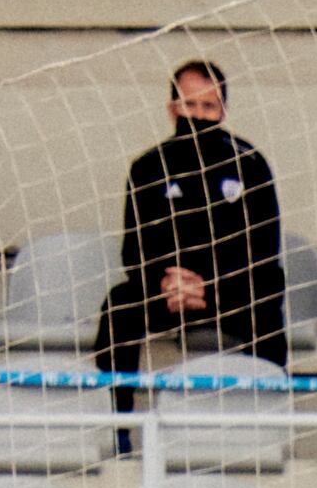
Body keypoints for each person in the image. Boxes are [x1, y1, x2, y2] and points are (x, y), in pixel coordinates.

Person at [93, 59, 289, 426]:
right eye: (189, 105)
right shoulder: (148, 167)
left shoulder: (250, 163)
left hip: (232, 290)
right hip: (166, 292)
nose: (198, 116)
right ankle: (116, 423)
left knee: (267, 303)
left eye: (208, 107)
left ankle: (267, 423)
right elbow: (133, 250)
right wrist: (167, 282)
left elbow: (264, 247)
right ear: (172, 109)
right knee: (118, 305)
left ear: (223, 111)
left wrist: (208, 285)